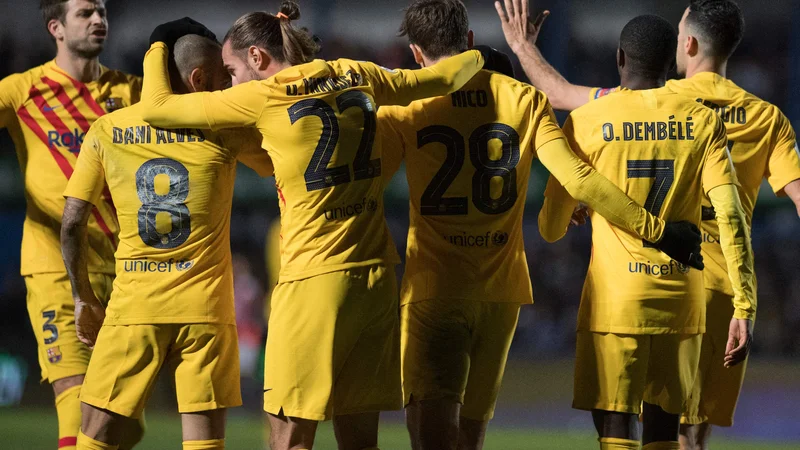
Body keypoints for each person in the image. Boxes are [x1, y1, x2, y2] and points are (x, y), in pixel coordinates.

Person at [137, 3, 495, 448]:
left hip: (312, 284)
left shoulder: (260, 96)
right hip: (374, 281)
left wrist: (160, 38)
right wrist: (481, 55)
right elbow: (442, 78)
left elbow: (156, 108)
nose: (229, 83)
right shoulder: (358, 72)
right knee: (360, 441)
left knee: (289, 440)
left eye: (230, 70)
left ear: (257, 58)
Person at [377, 1, 708, 449]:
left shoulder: (406, 106)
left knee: (430, 439)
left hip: (435, 289)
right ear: (470, 41)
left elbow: (368, 181)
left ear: (417, 54)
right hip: (501, 293)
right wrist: (661, 231)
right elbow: (578, 178)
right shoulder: (524, 99)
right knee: (470, 439)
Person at [495, 1, 800, 447]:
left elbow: (558, 94)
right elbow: (754, 208)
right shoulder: (761, 117)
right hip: (713, 291)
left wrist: (522, 47)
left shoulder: (623, 106)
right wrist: (746, 303)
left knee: (620, 426)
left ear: (688, 44)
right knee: (687, 438)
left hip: (632, 290)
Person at [60, 31, 274, 450]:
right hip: (206, 312)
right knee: (204, 442)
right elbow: (278, 162)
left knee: (96, 435)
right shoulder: (224, 127)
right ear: (197, 79)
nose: (225, 87)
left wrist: (83, 296)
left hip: (134, 307)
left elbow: (71, 224)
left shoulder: (107, 128)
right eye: (220, 76)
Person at [0, 1, 143, 448]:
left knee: (120, 420)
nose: (99, 19)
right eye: (85, 13)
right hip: (54, 266)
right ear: (55, 27)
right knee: (74, 392)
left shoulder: (131, 91)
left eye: (102, 11)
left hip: (124, 269)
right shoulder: (23, 89)